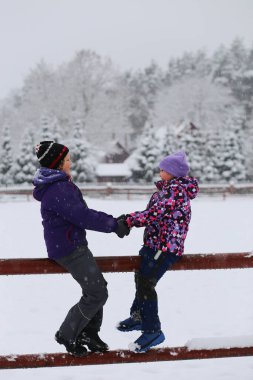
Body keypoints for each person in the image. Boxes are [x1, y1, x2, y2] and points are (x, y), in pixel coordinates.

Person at [33, 141, 129, 357]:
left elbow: (79, 214)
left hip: (69, 244)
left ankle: (88, 333)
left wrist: (114, 223)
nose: (71, 163)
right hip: (69, 248)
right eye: (67, 160)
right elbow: (83, 216)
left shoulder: (57, 185)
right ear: (57, 164)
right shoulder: (58, 189)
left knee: (97, 288)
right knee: (97, 293)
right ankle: (67, 333)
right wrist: (114, 225)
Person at [117, 151, 199, 352]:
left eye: (164, 169)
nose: (160, 171)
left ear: (173, 173)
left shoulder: (176, 191)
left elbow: (155, 213)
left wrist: (129, 220)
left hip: (165, 247)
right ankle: (138, 317)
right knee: (141, 278)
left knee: (146, 283)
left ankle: (153, 330)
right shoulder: (169, 189)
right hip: (155, 245)